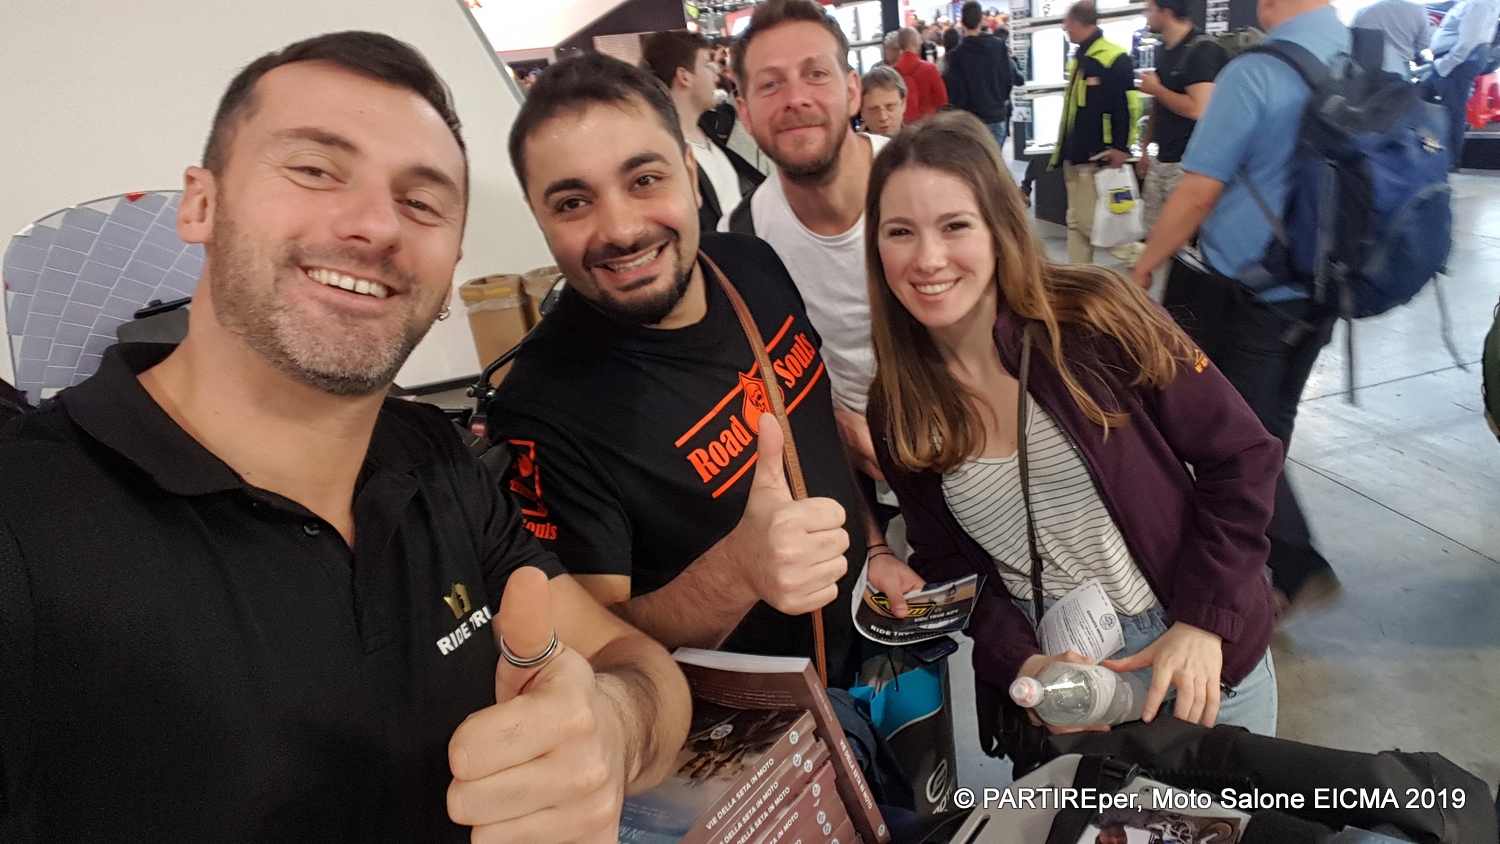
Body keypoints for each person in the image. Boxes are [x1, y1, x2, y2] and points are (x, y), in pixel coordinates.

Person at [0, 32, 691, 840]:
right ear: (201, 204)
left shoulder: (437, 462)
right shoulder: (26, 524)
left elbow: (638, 668)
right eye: (315, 169)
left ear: (450, 269)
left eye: (422, 201)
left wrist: (609, 728)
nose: (375, 224)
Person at [492, 53, 917, 688]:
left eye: (644, 180)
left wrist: (874, 546)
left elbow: (805, 434)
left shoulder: (751, 265)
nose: (621, 229)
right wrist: (736, 573)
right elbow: (593, 654)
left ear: (691, 176)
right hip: (753, 728)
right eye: (573, 202)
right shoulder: (543, 409)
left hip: (867, 648)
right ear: (540, 218)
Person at [866, 113, 1282, 739]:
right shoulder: (899, 405)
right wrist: (1022, 662)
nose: (928, 259)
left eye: (955, 226)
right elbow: (952, 569)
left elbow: (1242, 455)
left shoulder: (1097, 317)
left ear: (1000, 227)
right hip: (1068, 684)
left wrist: (1204, 617)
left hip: (1196, 653)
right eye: (900, 232)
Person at [1128, 0, 1349, 614]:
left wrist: (1145, 265)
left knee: (1234, 437)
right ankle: (1270, 556)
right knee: (1271, 421)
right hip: (1324, 286)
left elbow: (1199, 190)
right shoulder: (1355, 55)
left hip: (1253, 293)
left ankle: (1291, 563)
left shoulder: (1255, 73)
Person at [723, 0, 903, 519]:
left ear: (852, 90)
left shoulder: (926, 179)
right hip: (852, 479)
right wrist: (831, 427)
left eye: (816, 74)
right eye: (770, 84)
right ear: (745, 113)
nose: (795, 99)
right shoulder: (742, 239)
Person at [642, 30, 766, 233]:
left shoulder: (711, 133)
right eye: (708, 66)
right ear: (684, 76)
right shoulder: (663, 156)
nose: (716, 77)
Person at [1052, 1, 1139, 265]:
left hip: (1096, 154)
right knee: (1075, 221)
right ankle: (1078, 277)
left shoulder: (1113, 57)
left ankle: (1139, 256)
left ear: (1078, 23)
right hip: (1075, 152)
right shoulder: (1081, 57)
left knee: (1090, 223)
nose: (1065, 29)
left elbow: (1126, 107)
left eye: (1067, 24)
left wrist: (1121, 147)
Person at [1136, 0, 1228, 234]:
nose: (1146, 15)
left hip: (1190, 165)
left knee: (1182, 239)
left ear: (1166, 12)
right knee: (1153, 235)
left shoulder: (1203, 50)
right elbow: (1158, 104)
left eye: (1150, 9)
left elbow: (1199, 108)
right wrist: (1146, 148)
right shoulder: (1164, 50)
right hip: (1162, 159)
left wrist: (1157, 89)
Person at [1422, 0, 1500, 167]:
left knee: (1453, 111)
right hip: (1455, 60)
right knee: (1427, 99)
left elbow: (1469, 40)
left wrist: (1446, 64)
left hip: (1456, 61)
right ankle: (1444, 158)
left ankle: (1450, 161)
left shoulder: (1479, 3)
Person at [945, 0, 1027, 150]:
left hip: (971, 119)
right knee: (995, 158)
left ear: (962, 22)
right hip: (996, 112)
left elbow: (956, 91)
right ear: (981, 20)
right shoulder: (998, 45)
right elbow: (1007, 77)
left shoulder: (956, 55)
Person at [1353, 0, 1434, 74]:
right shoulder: (1418, 10)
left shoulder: (1365, 10)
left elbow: (1353, 40)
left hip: (1365, 70)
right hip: (1400, 70)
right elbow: (1423, 44)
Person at [894, 27, 950, 121]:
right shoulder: (929, 68)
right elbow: (942, 100)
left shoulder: (893, 71)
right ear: (914, 42)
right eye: (919, 39)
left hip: (904, 123)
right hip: (927, 122)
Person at [860, 66, 909, 137]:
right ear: (862, 113)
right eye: (874, 109)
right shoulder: (851, 144)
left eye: (890, 107)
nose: (883, 117)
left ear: (903, 105)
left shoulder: (921, 142)